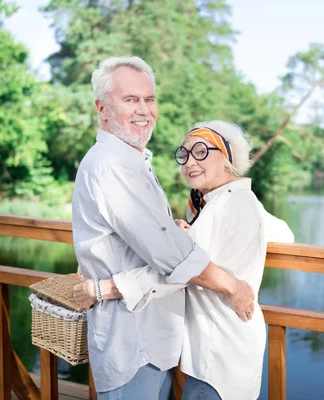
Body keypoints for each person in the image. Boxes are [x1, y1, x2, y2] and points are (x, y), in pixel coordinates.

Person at [71, 56, 256, 400]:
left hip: (155, 343)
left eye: (149, 99)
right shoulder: (112, 165)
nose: (144, 110)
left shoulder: (134, 161)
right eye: (130, 100)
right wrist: (231, 285)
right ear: (102, 108)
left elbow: (156, 241)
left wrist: (169, 233)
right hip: (132, 344)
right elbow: (168, 255)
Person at [88, 120, 295, 400]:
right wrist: (192, 235)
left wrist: (107, 288)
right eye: (183, 155)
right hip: (227, 347)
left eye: (200, 151)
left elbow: (177, 270)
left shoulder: (226, 206)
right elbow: (285, 234)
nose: (189, 162)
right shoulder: (232, 201)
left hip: (219, 354)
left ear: (227, 157)